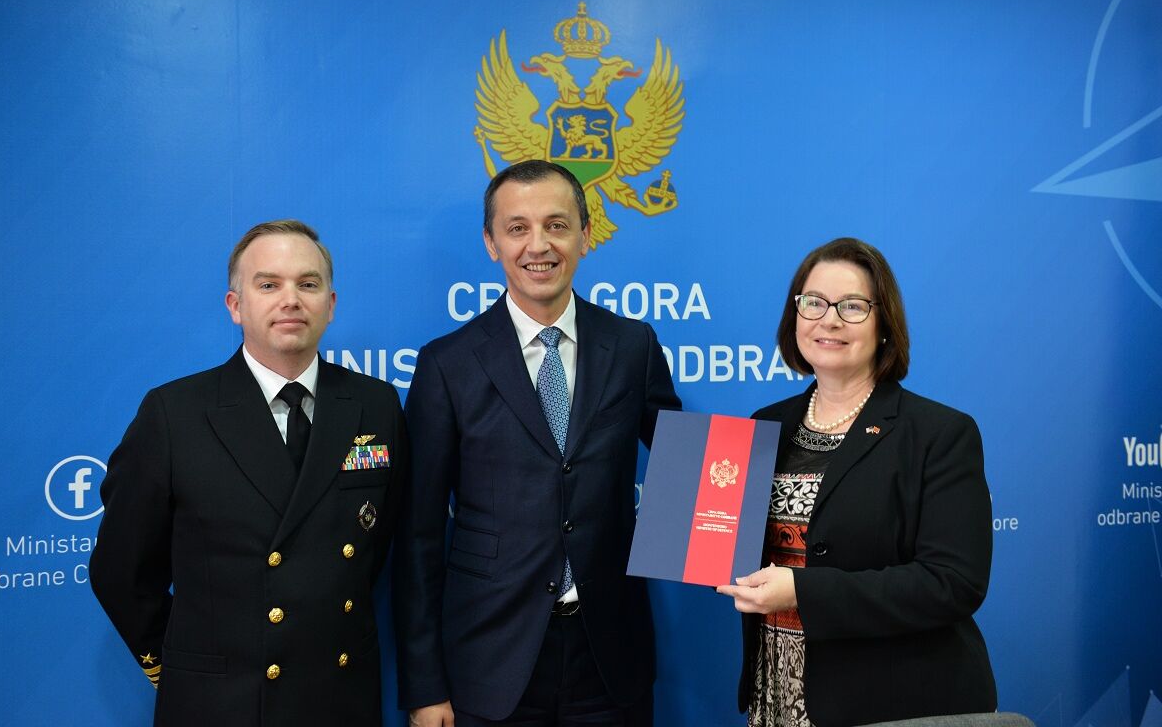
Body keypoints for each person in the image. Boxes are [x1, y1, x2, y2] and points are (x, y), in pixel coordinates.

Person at [394, 160, 682, 727]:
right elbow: (419, 535)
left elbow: (684, 468)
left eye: (556, 225)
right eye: (517, 228)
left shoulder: (633, 346)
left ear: (585, 235)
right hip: (489, 661)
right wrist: (425, 687)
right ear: (491, 243)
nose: (538, 246)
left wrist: (746, 499)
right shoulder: (448, 364)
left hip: (610, 659)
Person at [90, 219, 406, 726]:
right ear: (235, 306)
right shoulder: (174, 414)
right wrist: (186, 668)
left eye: (308, 284)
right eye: (268, 284)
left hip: (340, 696)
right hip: (220, 704)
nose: (291, 300)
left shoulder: (376, 405)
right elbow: (121, 571)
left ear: (330, 304)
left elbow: (380, 545)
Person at [716, 237, 996, 727]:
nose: (829, 320)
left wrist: (803, 592)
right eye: (814, 303)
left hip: (892, 700)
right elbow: (727, 539)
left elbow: (953, 584)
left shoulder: (939, 433)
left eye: (852, 306)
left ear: (884, 325)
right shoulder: (764, 426)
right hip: (776, 687)